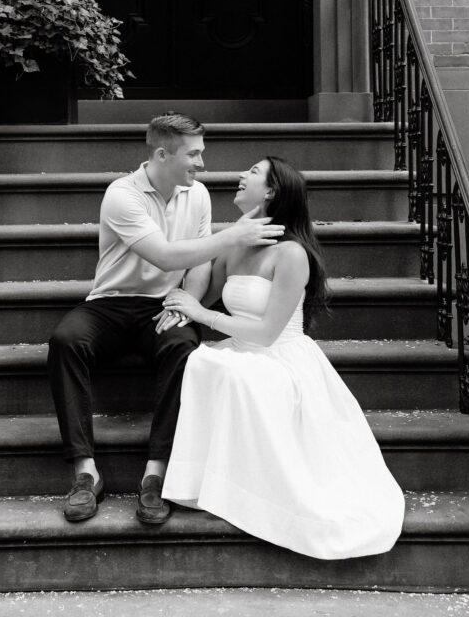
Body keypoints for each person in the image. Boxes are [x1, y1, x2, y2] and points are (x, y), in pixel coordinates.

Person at [160, 155, 406, 559]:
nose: (241, 175)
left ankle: (253, 494)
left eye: (253, 173)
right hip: (240, 348)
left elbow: (267, 331)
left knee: (235, 374)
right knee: (204, 362)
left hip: (279, 356)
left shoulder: (291, 254)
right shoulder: (236, 245)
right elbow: (202, 293)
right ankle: (214, 486)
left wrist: (202, 314)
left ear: (272, 192)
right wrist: (181, 302)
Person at [47, 113, 285, 526]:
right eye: (193, 154)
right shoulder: (122, 195)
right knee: (66, 340)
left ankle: (155, 474)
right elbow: (165, 254)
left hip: (163, 304)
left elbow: (198, 263)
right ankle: (85, 472)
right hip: (111, 302)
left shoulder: (198, 195)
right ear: (162, 154)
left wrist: (185, 303)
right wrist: (234, 235)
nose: (202, 163)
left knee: (183, 347)